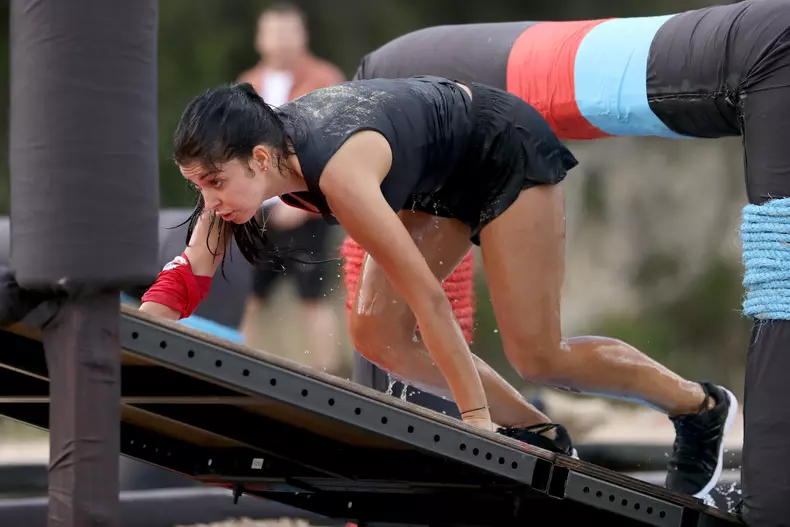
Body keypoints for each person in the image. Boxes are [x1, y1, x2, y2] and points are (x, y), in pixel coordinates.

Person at [138, 75, 737, 499]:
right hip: (435, 176)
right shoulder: (244, 170)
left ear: (260, 158)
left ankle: (700, 407)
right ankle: (538, 432)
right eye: (198, 186)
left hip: (500, 151)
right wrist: (137, 335)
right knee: (374, 332)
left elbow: (428, 297)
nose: (209, 200)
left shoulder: (339, 173)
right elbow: (190, 272)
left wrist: (476, 426)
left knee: (539, 356)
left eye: (214, 182)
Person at [235, 2, 345, 373]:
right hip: (256, 209)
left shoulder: (324, 79)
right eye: (273, 32)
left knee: (313, 298)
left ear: (303, 35)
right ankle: (230, 370)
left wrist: (304, 200)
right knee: (245, 296)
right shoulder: (247, 84)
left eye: (287, 32)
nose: (280, 41)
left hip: (305, 207)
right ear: (260, 38)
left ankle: (332, 378)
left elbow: (336, 147)